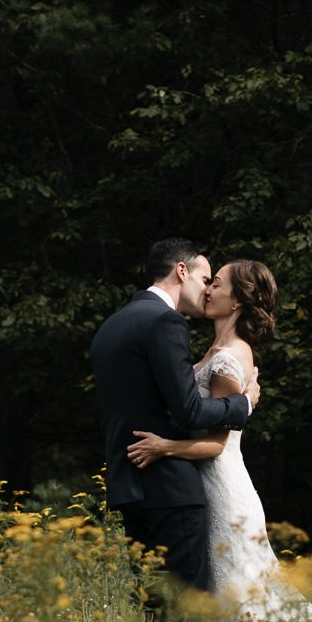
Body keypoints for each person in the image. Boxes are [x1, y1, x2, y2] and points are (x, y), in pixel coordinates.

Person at [126, 259, 312, 622]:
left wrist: (164, 446)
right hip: (211, 483)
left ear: (237, 300)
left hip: (223, 485)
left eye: (216, 283)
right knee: (228, 594)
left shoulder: (229, 357)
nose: (207, 289)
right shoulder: (216, 348)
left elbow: (217, 445)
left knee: (240, 593)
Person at [90, 239, 258, 594]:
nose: (208, 290)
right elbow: (190, 411)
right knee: (186, 611)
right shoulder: (165, 322)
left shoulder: (112, 326)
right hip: (170, 492)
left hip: (130, 487)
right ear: (182, 271)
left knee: (154, 610)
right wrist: (242, 405)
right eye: (205, 278)